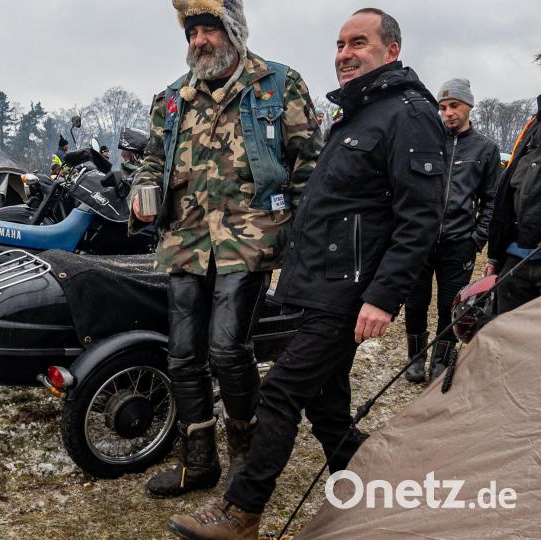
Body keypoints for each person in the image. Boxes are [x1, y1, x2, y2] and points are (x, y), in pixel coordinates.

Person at [165, 9, 446, 539]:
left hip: (350, 292)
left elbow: (420, 219)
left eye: (358, 43)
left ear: (391, 50)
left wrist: (383, 297)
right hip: (318, 285)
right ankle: (376, 493)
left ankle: (241, 513)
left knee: (280, 392)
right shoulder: (357, 114)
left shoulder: (408, 114)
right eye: (340, 45)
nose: (344, 54)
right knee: (328, 406)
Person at [128, 0, 322, 503]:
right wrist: (143, 188)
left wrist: (301, 236)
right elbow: (152, 159)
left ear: (232, 32)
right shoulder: (173, 97)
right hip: (186, 239)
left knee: (228, 349)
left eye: (208, 29)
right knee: (182, 354)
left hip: (250, 236)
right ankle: (199, 462)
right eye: (192, 32)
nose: (199, 41)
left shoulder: (277, 85)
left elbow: (309, 164)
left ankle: (247, 458)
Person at [403, 78, 500, 384]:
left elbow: (492, 199)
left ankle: (441, 360)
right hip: (421, 240)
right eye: (442, 107)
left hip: (459, 243)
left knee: (451, 305)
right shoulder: (427, 143)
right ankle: (415, 358)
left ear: (468, 105)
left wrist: (477, 238)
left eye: (454, 106)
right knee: (415, 302)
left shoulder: (485, 148)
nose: (448, 113)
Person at [487, 53, 541, 314]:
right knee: (504, 333)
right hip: (517, 257)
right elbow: (508, 190)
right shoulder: (534, 124)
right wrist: (495, 254)